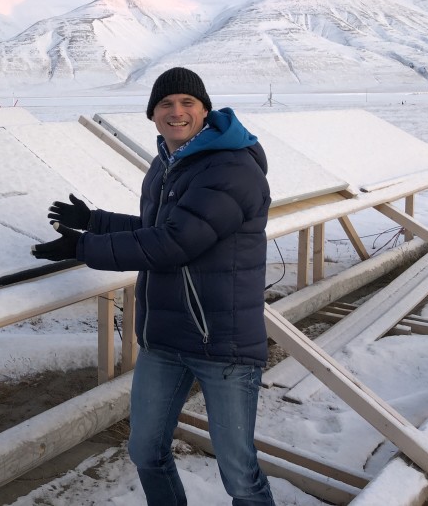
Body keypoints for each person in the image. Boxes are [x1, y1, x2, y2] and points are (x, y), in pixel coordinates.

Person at [31, 66, 275, 505]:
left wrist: (85, 248)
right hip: (166, 338)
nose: (176, 112)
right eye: (166, 104)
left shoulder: (231, 168)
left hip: (223, 345)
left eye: (187, 103)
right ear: (153, 113)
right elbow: (158, 225)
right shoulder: (170, 163)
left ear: (204, 110)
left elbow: (173, 243)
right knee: (145, 451)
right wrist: (94, 222)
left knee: (239, 472)